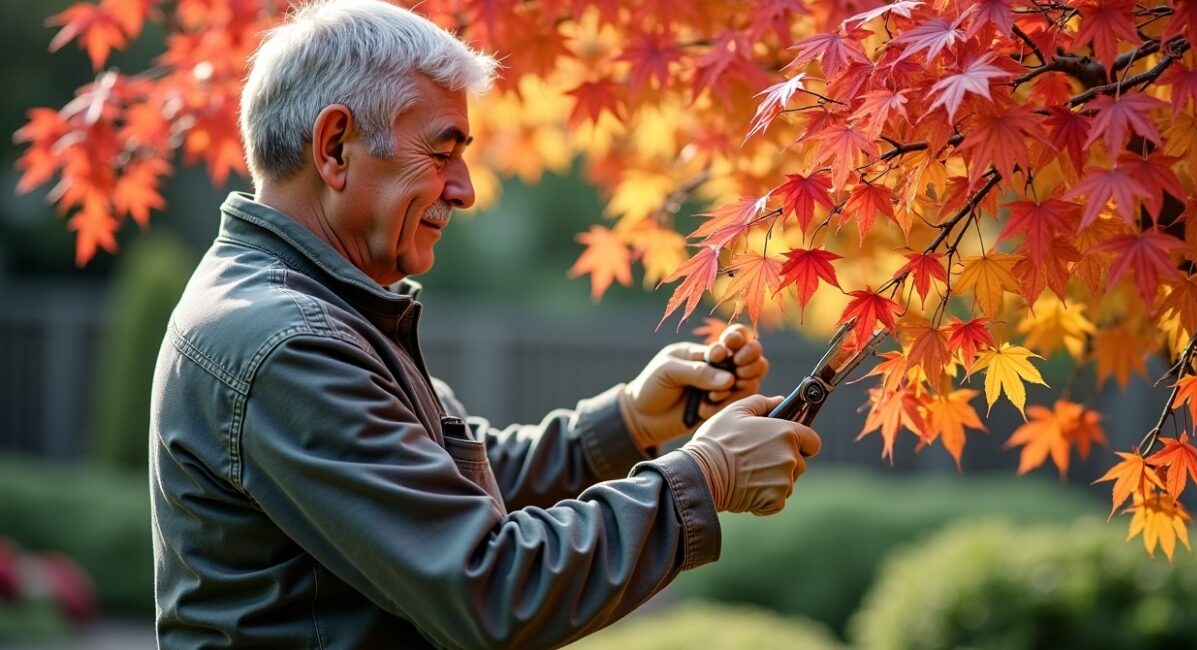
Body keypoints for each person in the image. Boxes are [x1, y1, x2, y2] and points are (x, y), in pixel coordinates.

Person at [149, 0, 822, 647]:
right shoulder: (292, 344)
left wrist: (628, 425)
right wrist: (704, 478)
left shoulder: (313, 308)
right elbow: (489, 591)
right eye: (442, 153)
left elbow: (441, 486)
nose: (465, 188)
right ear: (335, 148)